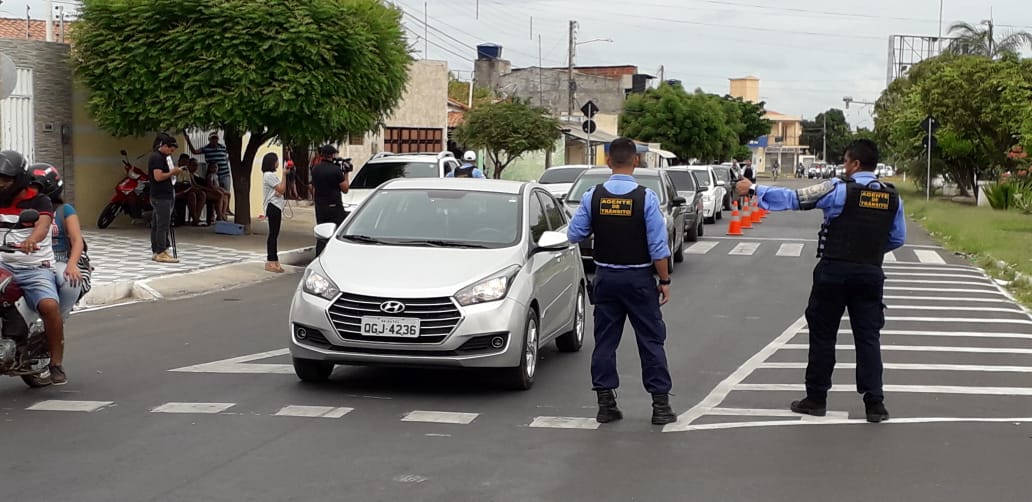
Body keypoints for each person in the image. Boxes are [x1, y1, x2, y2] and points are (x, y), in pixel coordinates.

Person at [736, 139, 906, 423]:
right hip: (869, 273)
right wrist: (869, 250)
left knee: (823, 334)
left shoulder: (838, 189)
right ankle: (875, 403)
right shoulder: (892, 197)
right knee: (868, 338)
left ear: (853, 164)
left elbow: (796, 199)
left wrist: (754, 189)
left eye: (845, 162)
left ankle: (816, 398)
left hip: (834, 271)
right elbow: (897, 238)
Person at [567, 137, 677, 426]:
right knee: (651, 341)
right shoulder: (646, 198)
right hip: (639, 279)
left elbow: (574, 234)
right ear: (636, 161)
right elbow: (658, 247)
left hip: (606, 278)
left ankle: (606, 404)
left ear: (607, 161)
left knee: (604, 342)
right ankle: (660, 406)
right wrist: (664, 280)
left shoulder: (593, 196)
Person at [0, 150, 67, 384]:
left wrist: (32, 240)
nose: (1, 184)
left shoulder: (39, 200)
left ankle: (56, 363)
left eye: (5, 179)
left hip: (34, 267)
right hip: (3, 263)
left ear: (18, 178)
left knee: (49, 305)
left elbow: (43, 224)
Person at [28, 164, 84, 318]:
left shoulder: (64, 210)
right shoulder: (24, 209)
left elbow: (77, 240)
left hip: (57, 259)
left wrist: (72, 264)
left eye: (35, 187)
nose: (31, 191)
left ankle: (59, 319)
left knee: (70, 282)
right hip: (29, 258)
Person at [309, 144, 349, 255]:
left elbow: (312, 188)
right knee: (338, 232)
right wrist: (346, 173)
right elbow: (345, 188)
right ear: (332, 155)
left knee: (322, 232)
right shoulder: (336, 170)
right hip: (334, 207)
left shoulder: (315, 169)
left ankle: (319, 255)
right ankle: (335, 254)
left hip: (320, 207)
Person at [149, 133, 182, 263]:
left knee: (158, 224)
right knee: (162, 225)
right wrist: (172, 173)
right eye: (170, 149)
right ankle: (161, 251)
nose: (171, 152)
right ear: (164, 146)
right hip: (161, 196)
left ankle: (158, 249)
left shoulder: (163, 157)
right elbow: (158, 176)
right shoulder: (157, 158)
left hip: (164, 194)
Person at [186, 132, 233, 215]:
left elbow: (231, 152)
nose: (214, 140)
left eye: (216, 138)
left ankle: (225, 210)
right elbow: (194, 151)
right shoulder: (206, 148)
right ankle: (218, 213)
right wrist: (188, 141)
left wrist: (227, 160)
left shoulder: (222, 147)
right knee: (218, 194)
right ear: (209, 139)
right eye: (212, 138)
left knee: (226, 193)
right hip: (213, 176)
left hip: (225, 174)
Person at [262, 152, 287, 273]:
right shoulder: (268, 175)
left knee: (275, 234)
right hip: (273, 206)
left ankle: (275, 259)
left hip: (276, 206)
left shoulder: (271, 176)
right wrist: (284, 175)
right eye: (277, 160)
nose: (278, 163)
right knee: (273, 234)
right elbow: (281, 189)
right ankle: (271, 260)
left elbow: (279, 191)